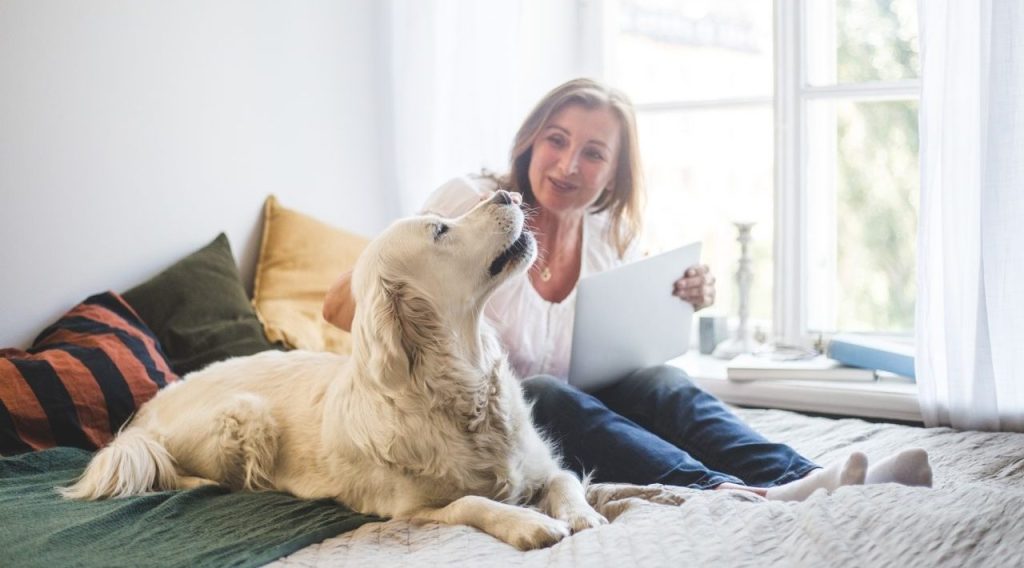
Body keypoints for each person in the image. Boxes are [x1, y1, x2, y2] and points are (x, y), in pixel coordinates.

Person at [323, 78, 933, 500]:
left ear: (614, 172)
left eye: (593, 154)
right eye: (556, 140)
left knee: (663, 383)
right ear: (531, 139)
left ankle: (820, 475)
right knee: (540, 393)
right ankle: (728, 493)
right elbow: (354, 301)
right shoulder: (473, 204)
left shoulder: (607, 232)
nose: (567, 166)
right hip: (480, 420)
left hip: (576, 405)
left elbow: (627, 348)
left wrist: (686, 295)